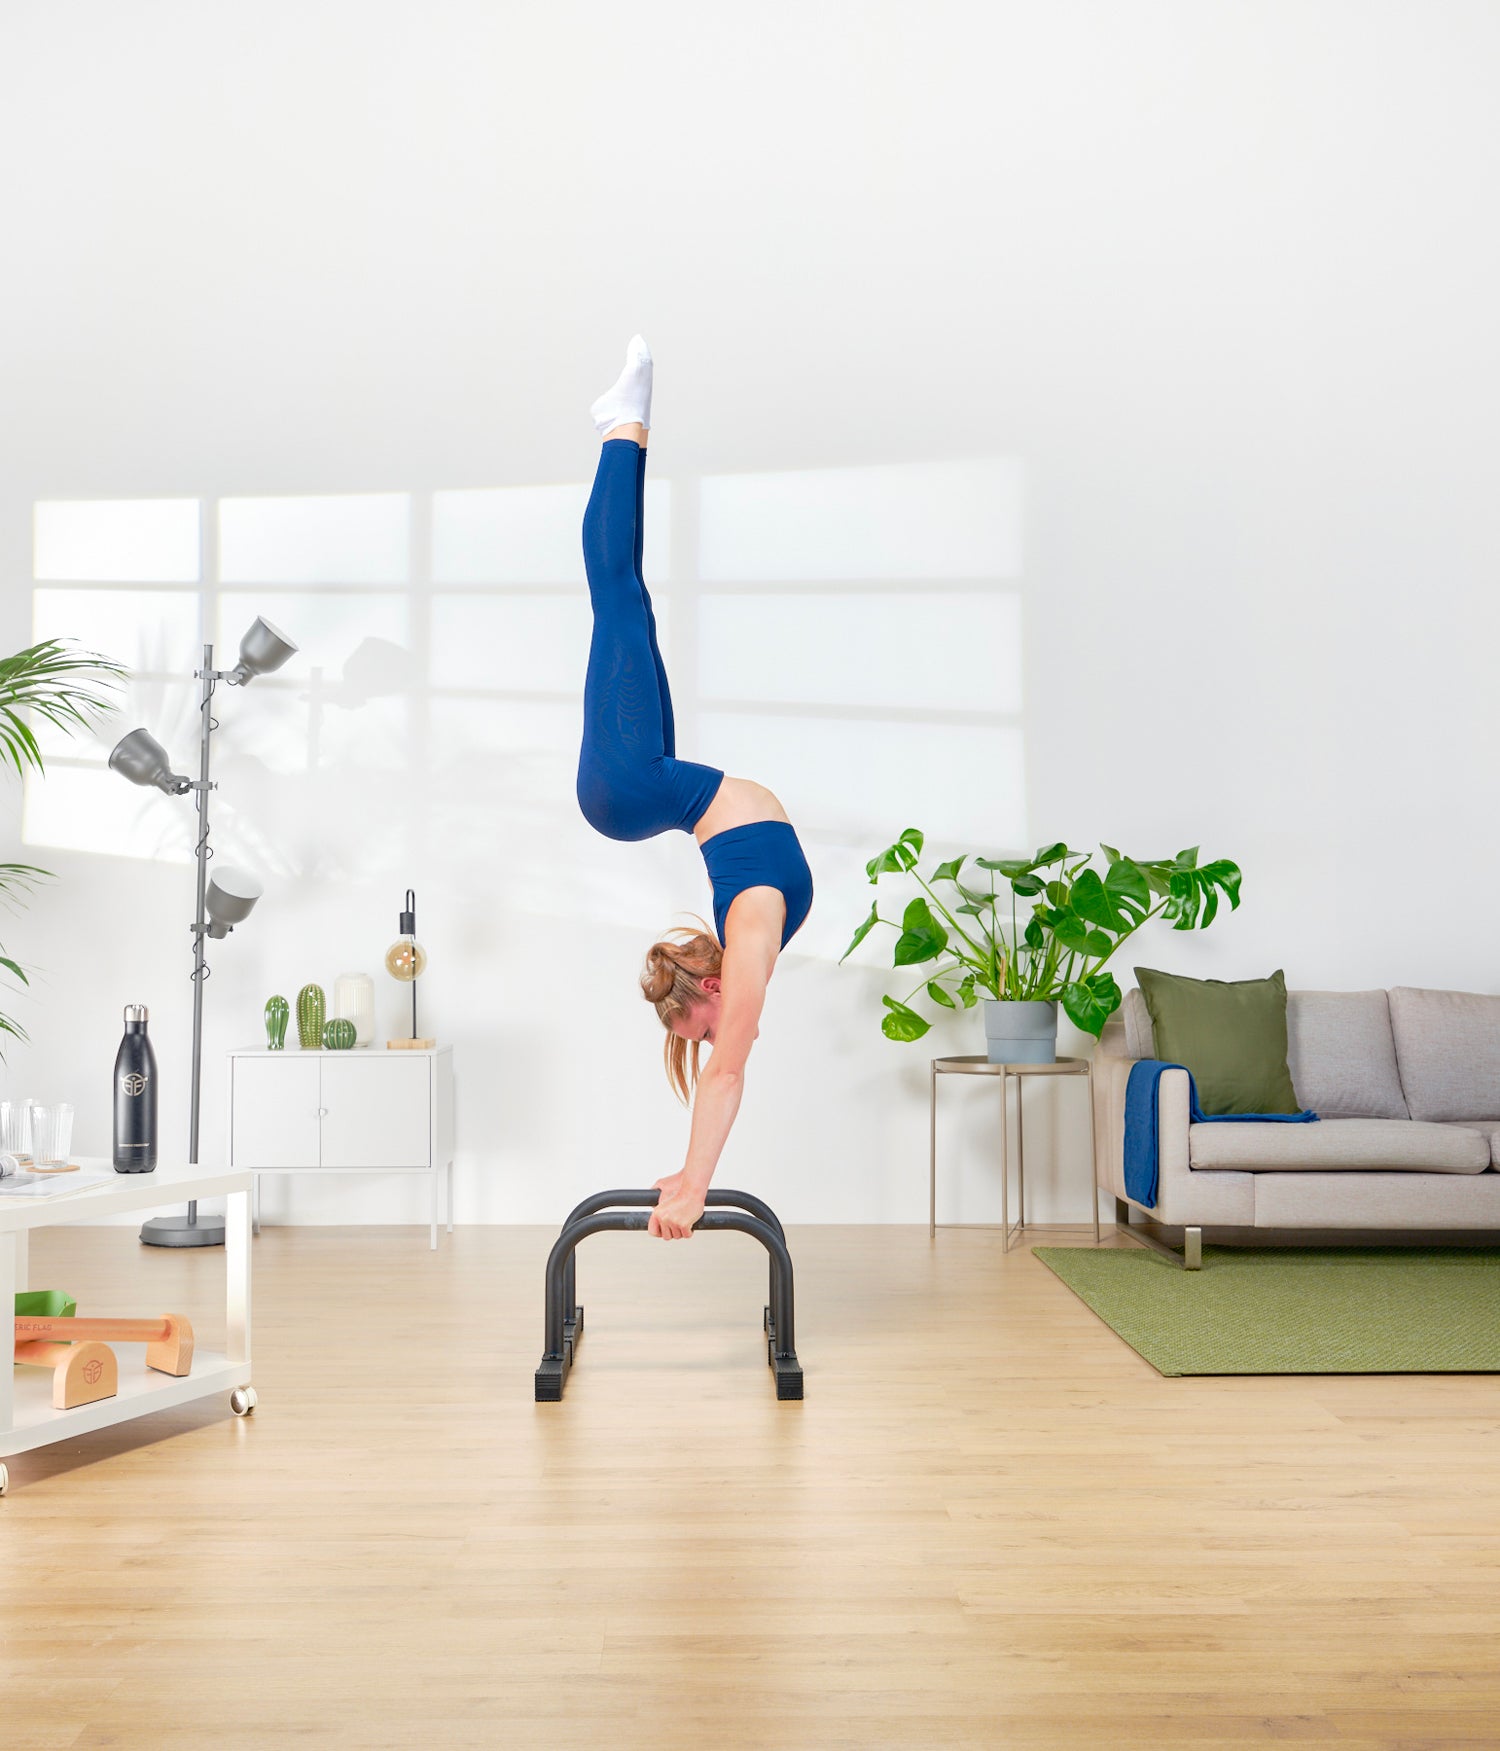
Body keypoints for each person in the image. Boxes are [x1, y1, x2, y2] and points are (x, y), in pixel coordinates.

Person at [577, 335, 813, 1241]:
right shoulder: (743, 937)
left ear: (708, 990)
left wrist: (696, 1189)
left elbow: (728, 1074)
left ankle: (622, 425)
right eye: (703, 1033)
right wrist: (687, 1170)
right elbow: (721, 1068)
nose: (718, 1035)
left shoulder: (747, 943)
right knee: (621, 593)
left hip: (634, 789)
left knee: (618, 592)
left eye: (700, 1027)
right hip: (653, 789)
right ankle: (623, 427)